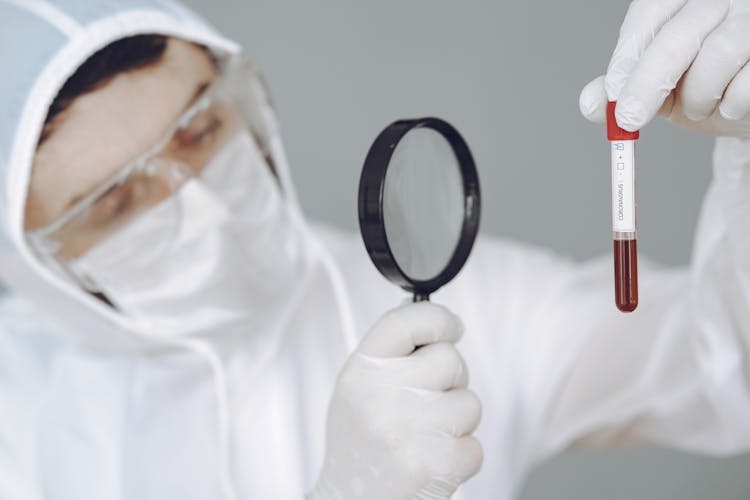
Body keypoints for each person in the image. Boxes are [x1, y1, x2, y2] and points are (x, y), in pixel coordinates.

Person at [1, 0, 749, 498]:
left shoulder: (470, 307)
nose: (197, 205)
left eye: (201, 131)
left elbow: (723, 365)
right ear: (31, 264)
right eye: (116, 201)